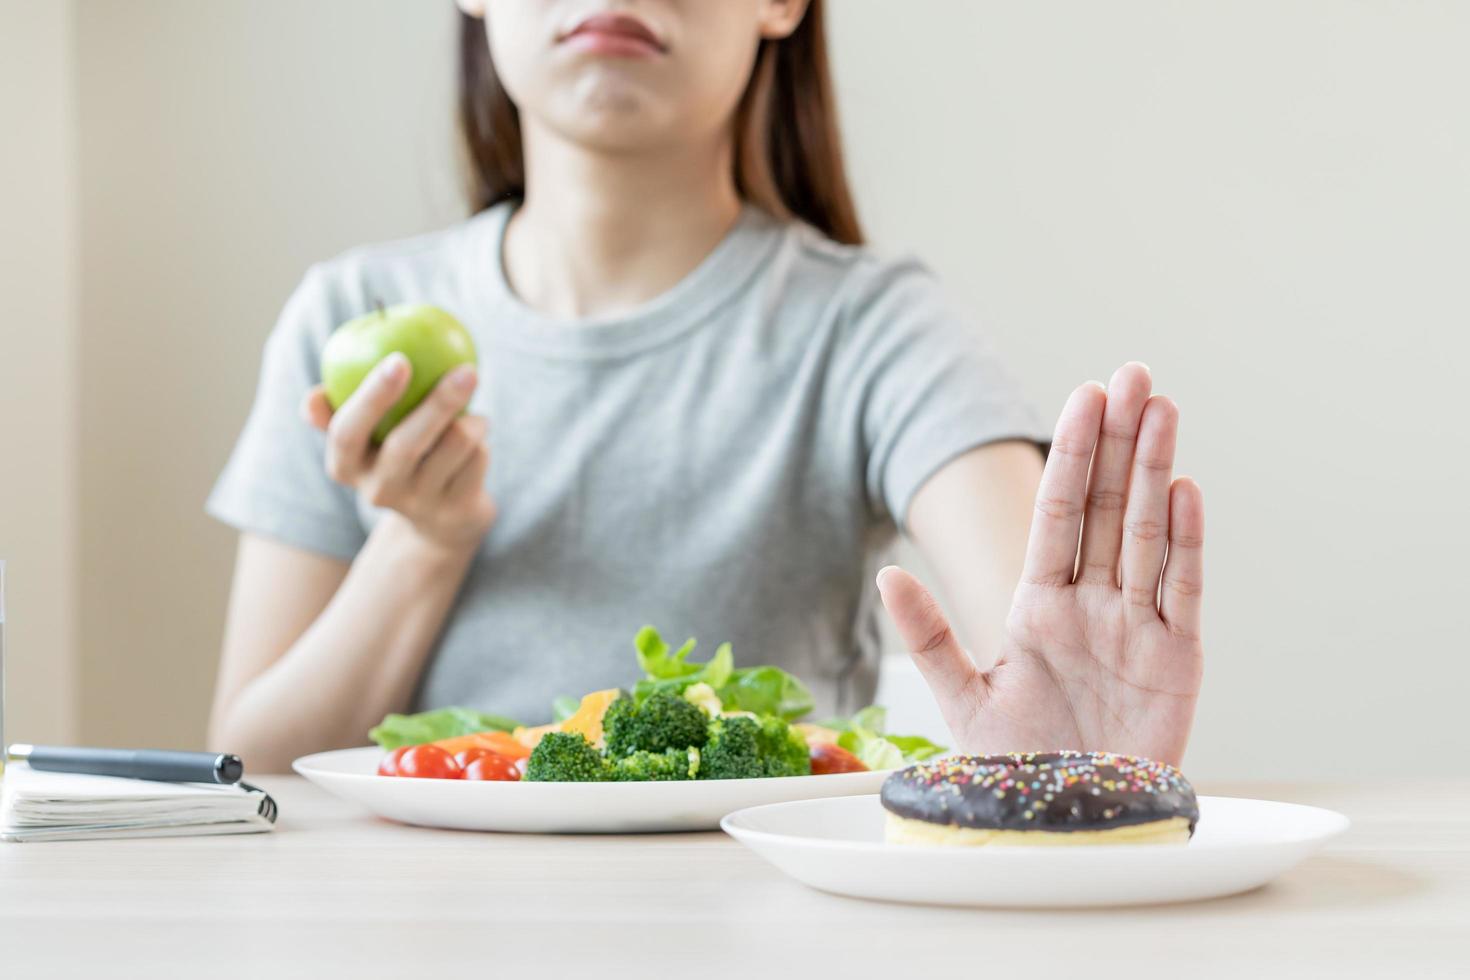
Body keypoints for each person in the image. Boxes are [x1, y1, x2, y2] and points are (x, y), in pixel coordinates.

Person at [207, 0, 1205, 773]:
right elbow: (253, 766)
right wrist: (424, 541)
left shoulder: (874, 325)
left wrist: (1076, 740)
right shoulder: (348, 309)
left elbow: (1031, 635)